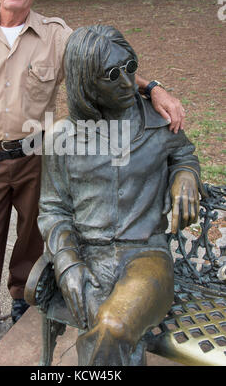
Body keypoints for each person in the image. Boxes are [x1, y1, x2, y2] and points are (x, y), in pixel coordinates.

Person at [0, 0, 185, 357]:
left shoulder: (55, 34)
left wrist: (153, 87)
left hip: (38, 155)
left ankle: (22, 299)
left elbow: (104, 58)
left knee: (33, 237)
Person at [38, 25, 201, 366]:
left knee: (110, 326)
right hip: (85, 256)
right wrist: (68, 264)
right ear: (85, 83)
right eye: (111, 75)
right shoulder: (61, 139)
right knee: (110, 331)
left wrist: (186, 174)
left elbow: (184, 153)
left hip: (145, 256)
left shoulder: (159, 122)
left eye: (130, 67)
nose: (128, 83)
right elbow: (53, 209)